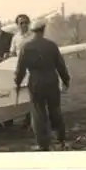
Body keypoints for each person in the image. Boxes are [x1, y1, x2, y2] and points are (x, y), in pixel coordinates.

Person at [14, 19, 71, 151]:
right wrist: (66, 80)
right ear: (43, 29)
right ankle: (60, 139)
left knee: (38, 113)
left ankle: (43, 143)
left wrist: (17, 83)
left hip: (35, 82)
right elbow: (60, 65)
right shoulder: (51, 45)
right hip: (51, 80)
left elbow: (20, 69)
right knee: (55, 110)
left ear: (32, 31)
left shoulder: (26, 47)